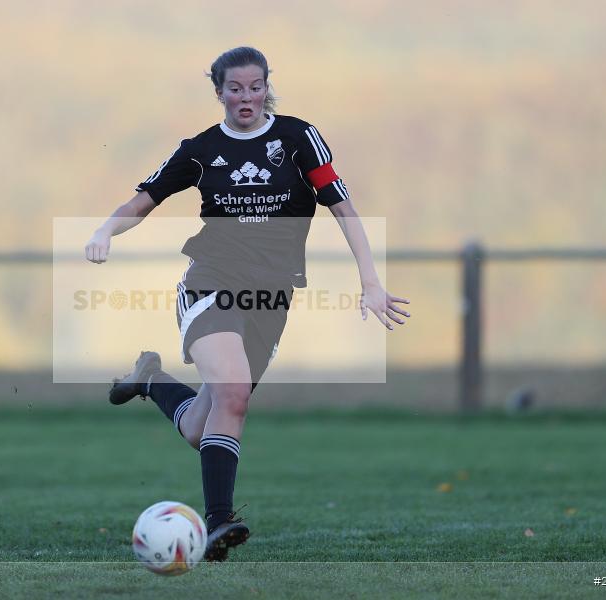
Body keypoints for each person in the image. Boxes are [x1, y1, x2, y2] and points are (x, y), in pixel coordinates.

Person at [85, 47, 410, 561]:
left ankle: (150, 378)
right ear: (219, 92)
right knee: (233, 392)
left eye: (255, 87)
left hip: (270, 298)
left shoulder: (298, 138)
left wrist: (370, 280)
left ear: (267, 87)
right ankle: (219, 524)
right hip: (210, 283)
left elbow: (343, 207)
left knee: (202, 425)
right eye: (235, 89)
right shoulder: (199, 149)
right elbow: (143, 200)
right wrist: (105, 230)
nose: (246, 97)